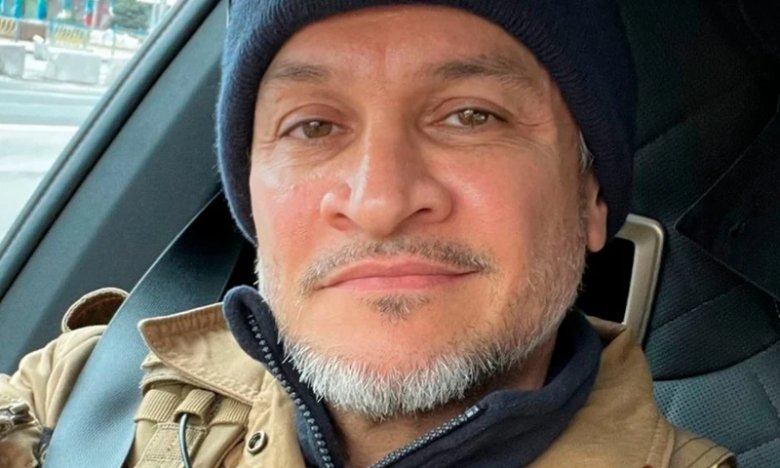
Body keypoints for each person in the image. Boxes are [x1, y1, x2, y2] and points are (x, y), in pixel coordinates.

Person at [0, 1, 736, 467]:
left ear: (591, 199)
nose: (379, 202)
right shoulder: (79, 389)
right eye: (312, 126)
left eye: (471, 116)